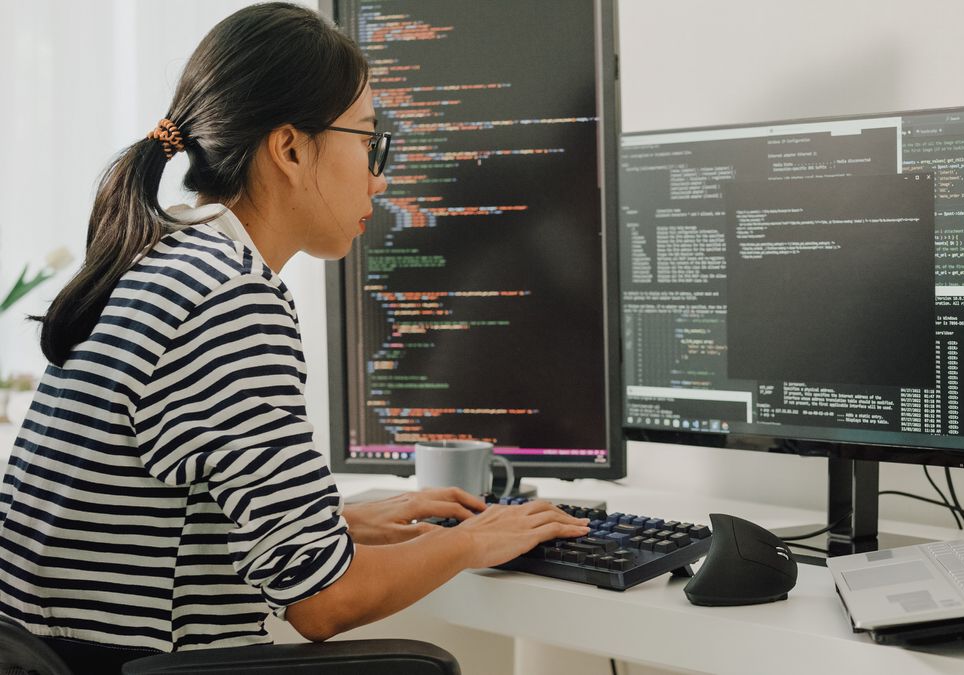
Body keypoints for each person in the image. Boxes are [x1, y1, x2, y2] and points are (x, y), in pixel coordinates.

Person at [0, 3, 590, 673]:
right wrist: (474, 541)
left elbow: (167, 511)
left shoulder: (164, 261)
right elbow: (323, 602)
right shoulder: (231, 297)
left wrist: (331, 522)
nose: (379, 177)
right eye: (368, 141)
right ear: (288, 148)